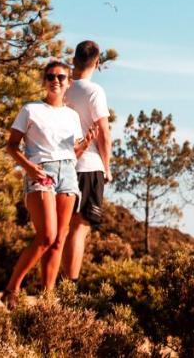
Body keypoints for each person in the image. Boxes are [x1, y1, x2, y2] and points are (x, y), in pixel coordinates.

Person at [1, 60, 95, 309]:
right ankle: (12, 287)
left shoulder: (72, 116)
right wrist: (29, 167)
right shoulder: (30, 110)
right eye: (51, 76)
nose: (56, 80)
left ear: (68, 83)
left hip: (68, 173)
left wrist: (85, 144)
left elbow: (71, 153)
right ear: (44, 81)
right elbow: (11, 146)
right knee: (46, 236)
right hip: (41, 172)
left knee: (59, 240)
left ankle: (47, 299)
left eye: (61, 77)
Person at [61, 39, 113, 282]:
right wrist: (107, 167)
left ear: (74, 59)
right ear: (98, 62)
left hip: (62, 164)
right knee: (79, 228)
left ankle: (51, 284)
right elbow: (103, 132)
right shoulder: (94, 91)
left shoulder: (63, 88)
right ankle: (69, 286)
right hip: (88, 166)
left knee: (60, 229)